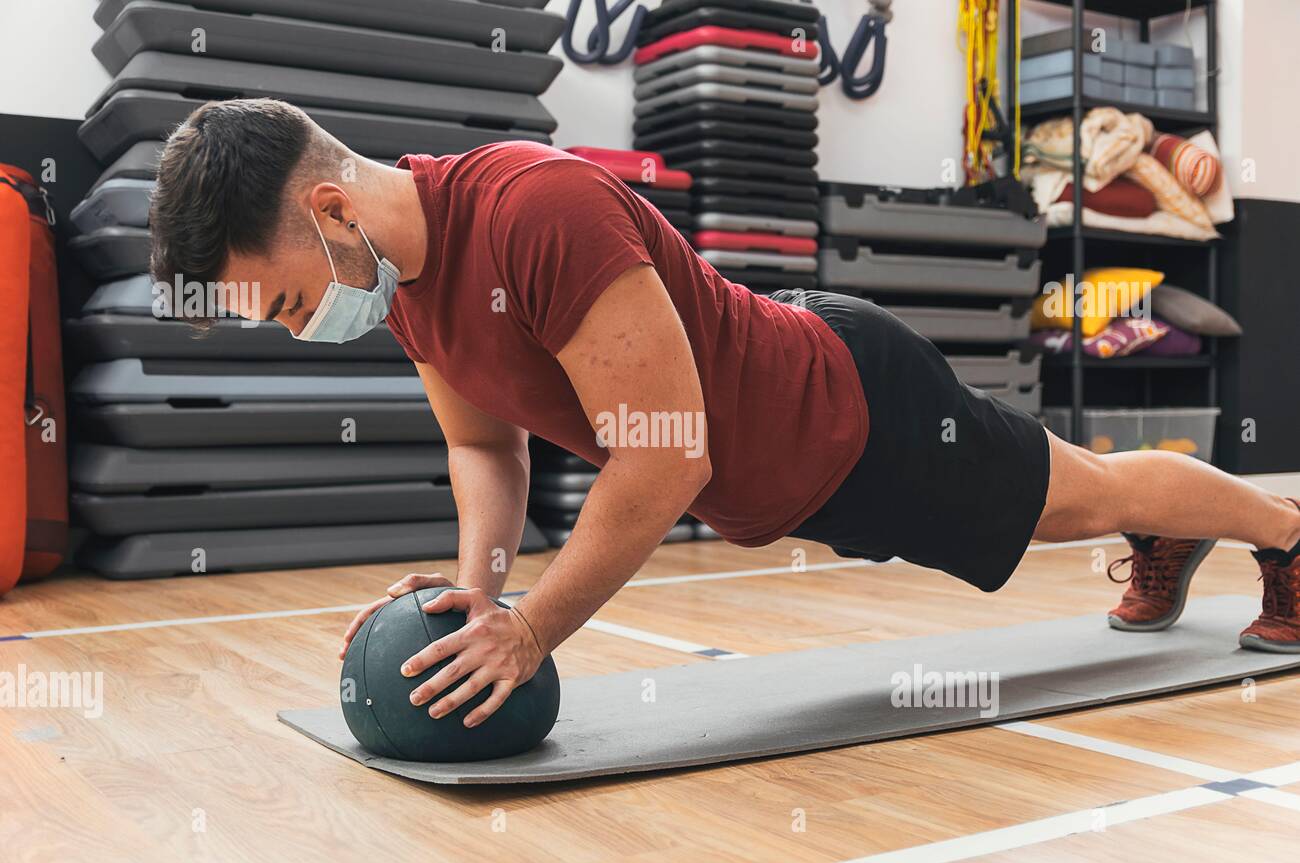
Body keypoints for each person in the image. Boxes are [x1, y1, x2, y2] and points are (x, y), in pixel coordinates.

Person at [148, 99, 1300, 727]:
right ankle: (1172, 534)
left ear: (334, 207)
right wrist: (480, 593)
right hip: (787, 455)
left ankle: (1282, 535)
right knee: (1078, 499)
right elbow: (478, 441)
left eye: (293, 302)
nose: (307, 328)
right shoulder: (399, 287)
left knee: (1081, 496)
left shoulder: (535, 210)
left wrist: (534, 629)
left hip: (854, 415)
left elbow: (664, 459)